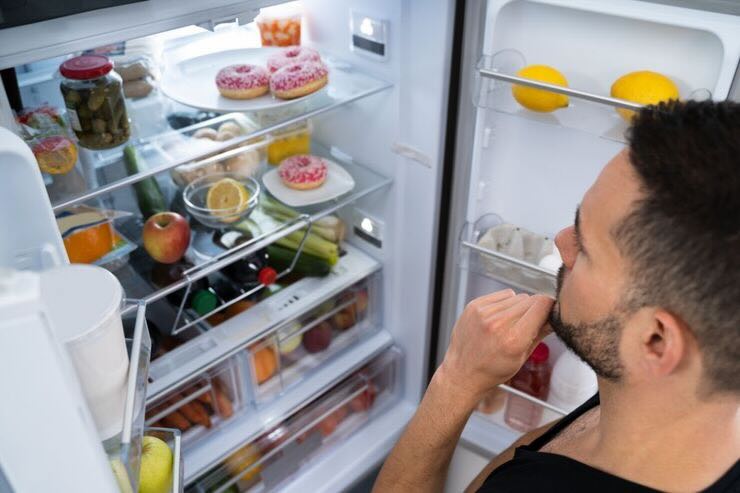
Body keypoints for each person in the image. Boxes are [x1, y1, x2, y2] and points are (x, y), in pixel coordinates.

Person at [374, 101, 740, 492]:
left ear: (655, 340)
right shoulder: (666, 406)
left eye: (585, 248)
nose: (561, 242)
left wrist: (456, 379)